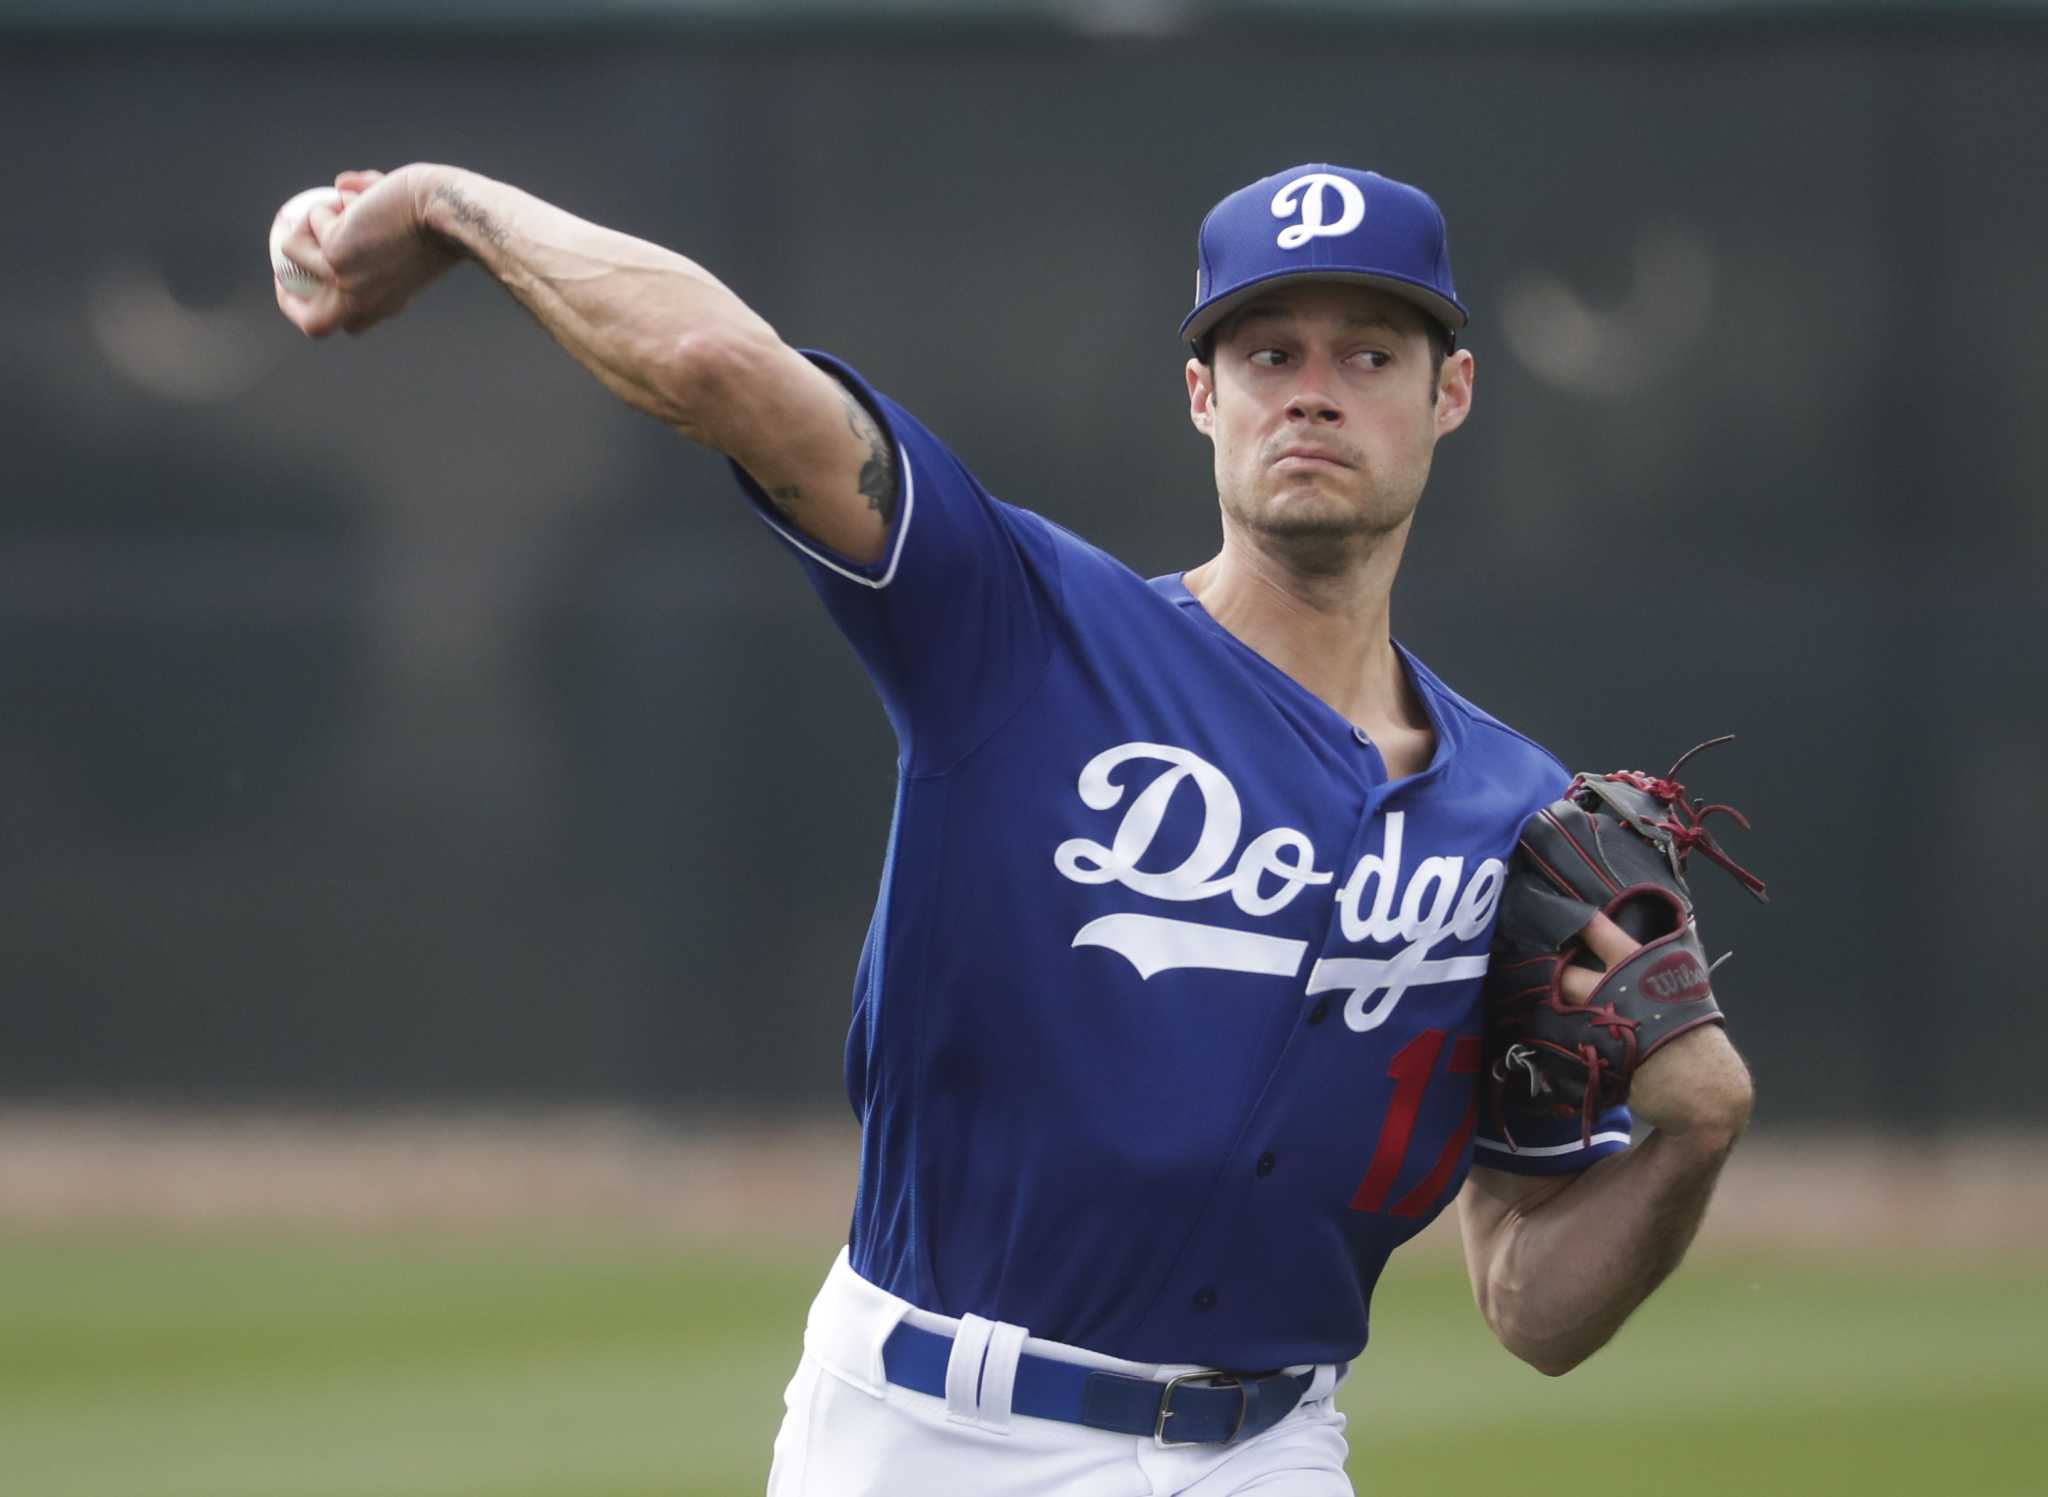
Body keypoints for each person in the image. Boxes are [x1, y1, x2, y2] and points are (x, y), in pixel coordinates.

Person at [275, 160, 1755, 1496]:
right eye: (1267, 351)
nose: (1314, 390)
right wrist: (441, 204)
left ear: (1452, 394)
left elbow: (1529, 1310)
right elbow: (714, 361)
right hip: (938, 1439)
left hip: (1276, 1450)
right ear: (1203, 396)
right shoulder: (1026, 631)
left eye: (1370, 354)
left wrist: (1695, 1135)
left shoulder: (1514, 815)